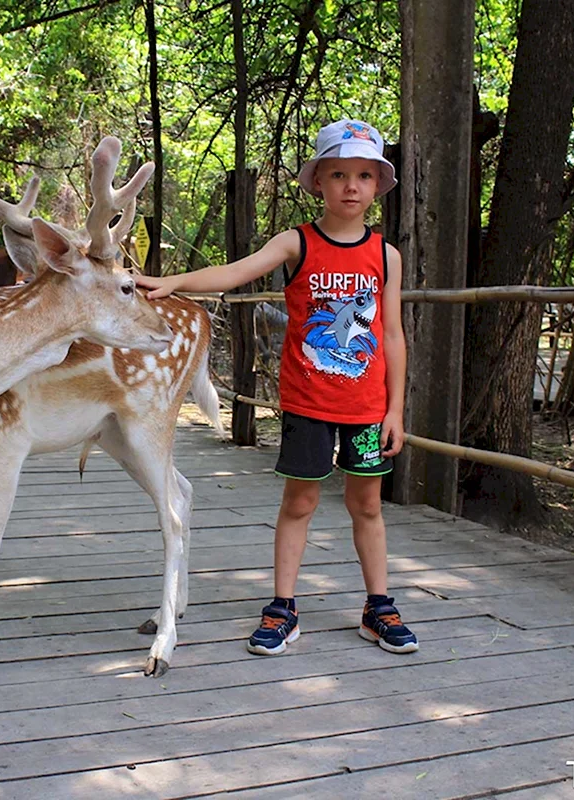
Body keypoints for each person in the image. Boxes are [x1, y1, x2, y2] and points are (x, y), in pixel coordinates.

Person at [135, 119, 418, 656]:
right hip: (309, 404)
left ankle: (378, 605)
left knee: (368, 505)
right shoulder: (297, 243)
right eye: (338, 174)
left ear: (378, 185)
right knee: (300, 502)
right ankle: (283, 606)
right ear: (318, 183)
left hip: (366, 407)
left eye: (363, 175)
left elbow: (393, 335)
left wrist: (395, 409)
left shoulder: (386, 256)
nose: (351, 186)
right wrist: (175, 282)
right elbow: (237, 272)